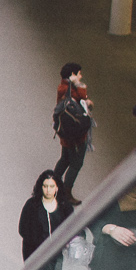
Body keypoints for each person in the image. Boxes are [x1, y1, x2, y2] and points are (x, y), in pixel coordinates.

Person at [53, 63, 93, 203]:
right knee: (76, 164)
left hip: (65, 133)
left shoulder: (62, 87)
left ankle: (53, 183)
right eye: (79, 73)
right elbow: (83, 97)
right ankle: (66, 192)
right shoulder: (70, 89)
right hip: (75, 136)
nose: (81, 76)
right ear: (72, 75)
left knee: (64, 158)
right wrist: (79, 85)